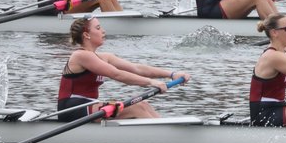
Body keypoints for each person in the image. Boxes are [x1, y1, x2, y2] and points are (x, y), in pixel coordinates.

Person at [57, 17, 191, 122]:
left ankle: (163, 129)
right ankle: (163, 136)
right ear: (86, 35)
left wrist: (172, 74)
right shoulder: (81, 55)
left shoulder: (105, 57)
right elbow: (117, 74)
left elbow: (136, 68)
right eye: (98, 28)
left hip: (89, 106)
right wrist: (152, 83)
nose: (103, 31)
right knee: (136, 107)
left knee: (143, 105)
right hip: (71, 109)